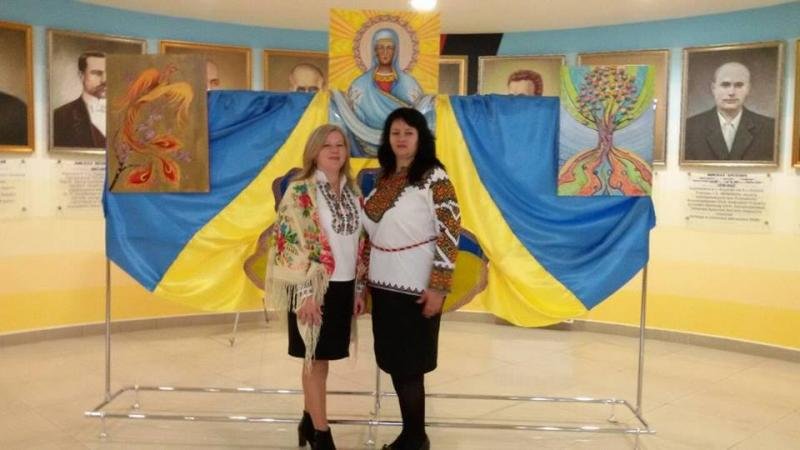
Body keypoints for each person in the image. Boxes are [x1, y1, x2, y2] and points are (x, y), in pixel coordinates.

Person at [265, 124, 367, 450]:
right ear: (314, 152)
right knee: (315, 360)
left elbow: (359, 244)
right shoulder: (301, 191)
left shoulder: (353, 193)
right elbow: (289, 243)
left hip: (343, 286)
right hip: (311, 288)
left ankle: (308, 421)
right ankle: (322, 435)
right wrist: (306, 294)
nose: (335, 151)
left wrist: (358, 290)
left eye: (340, 145)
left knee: (322, 359)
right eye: (327, 145)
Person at [363, 107, 461, 450]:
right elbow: (370, 234)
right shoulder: (385, 178)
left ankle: (416, 438)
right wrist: (362, 285)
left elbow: (450, 229)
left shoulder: (435, 178)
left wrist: (439, 286)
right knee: (395, 363)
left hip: (416, 289)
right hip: (383, 288)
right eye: (395, 133)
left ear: (421, 138)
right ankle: (412, 434)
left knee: (410, 367)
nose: (401, 139)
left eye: (408, 132)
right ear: (387, 139)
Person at [330, 28, 434, 156]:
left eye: (389, 48)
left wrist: (430, 100)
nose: (385, 52)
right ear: (375, 51)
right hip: (364, 142)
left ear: (395, 51)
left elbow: (418, 115)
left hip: (401, 145)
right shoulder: (359, 85)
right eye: (380, 47)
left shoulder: (410, 84)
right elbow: (353, 117)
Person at [684, 61, 775, 161]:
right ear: (713, 88)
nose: (731, 92)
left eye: (739, 85)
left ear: (748, 89)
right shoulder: (689, 128)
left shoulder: (770, 128)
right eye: (725, 85)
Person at [53, 51, 107, 148]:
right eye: (96, 73)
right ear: (81, 76)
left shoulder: (127, 115)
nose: (104, 80)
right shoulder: (60, 116)